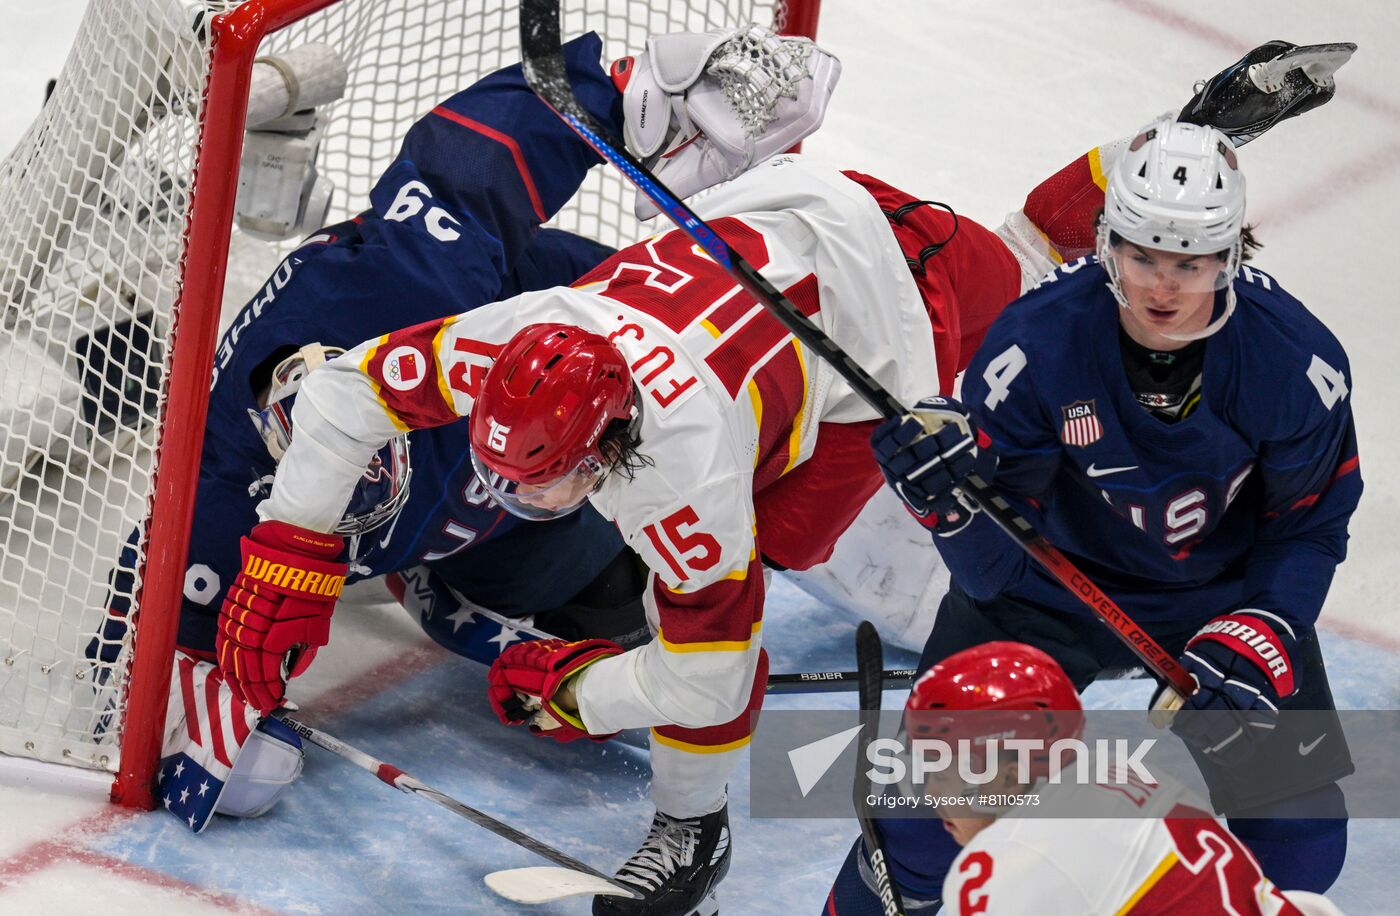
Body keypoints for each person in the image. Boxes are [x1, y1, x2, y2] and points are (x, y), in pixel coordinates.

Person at [217, 37, 1354, 915]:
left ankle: (1183, 137)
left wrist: (584, 700)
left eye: (1186, 258)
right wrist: (291, 552)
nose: (513, 494)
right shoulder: (504, 336)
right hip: (774, 264)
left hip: (879, 276)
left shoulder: (685, 482)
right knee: (821, 572)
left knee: (1006, 263)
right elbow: (340, 393)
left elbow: (710, 684)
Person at [99, 24, 842, 835]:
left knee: (825, 558)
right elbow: (137, 678)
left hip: (592, 374)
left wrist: (643, 94)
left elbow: (469, 166)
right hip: (490, 513)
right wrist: (205, 715)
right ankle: (457, 569)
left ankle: (985, 742)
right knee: (614, 671)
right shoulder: (214, 512)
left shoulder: (404, 295)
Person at [845, 111, 1361, 909]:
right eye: (1143, 254)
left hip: (1222, 599)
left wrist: (1268, 627)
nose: (1163, 285)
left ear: (1231, 256)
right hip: (1052, 590)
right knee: (915, 821)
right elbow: (993, 576)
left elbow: (1311, 526)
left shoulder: (1296, 362)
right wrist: (953, 510)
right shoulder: (1035, 345)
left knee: (1302, 841)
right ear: (1106, 242)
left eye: (1189, 261)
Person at [834, 641, 1342, 915]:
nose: (929, 796)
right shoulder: (1120, 774)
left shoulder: (1007, 865)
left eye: (940, 770)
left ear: (1008, 772)